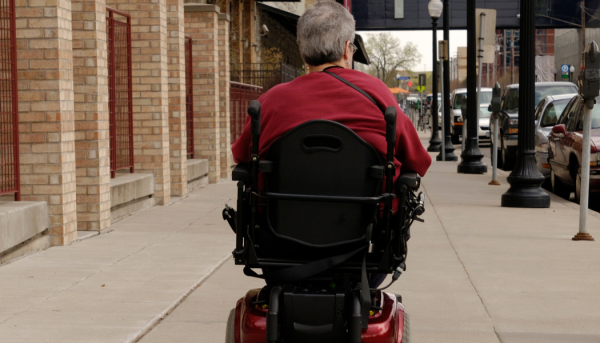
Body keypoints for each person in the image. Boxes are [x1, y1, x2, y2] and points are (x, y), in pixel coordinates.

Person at [231, 2, 431, 287]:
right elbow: (418, 163)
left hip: (281, 245)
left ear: (302, 50)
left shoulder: (272, 101)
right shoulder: (378, 95)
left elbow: (241, 156)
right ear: (348, 49)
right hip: (363, 245)